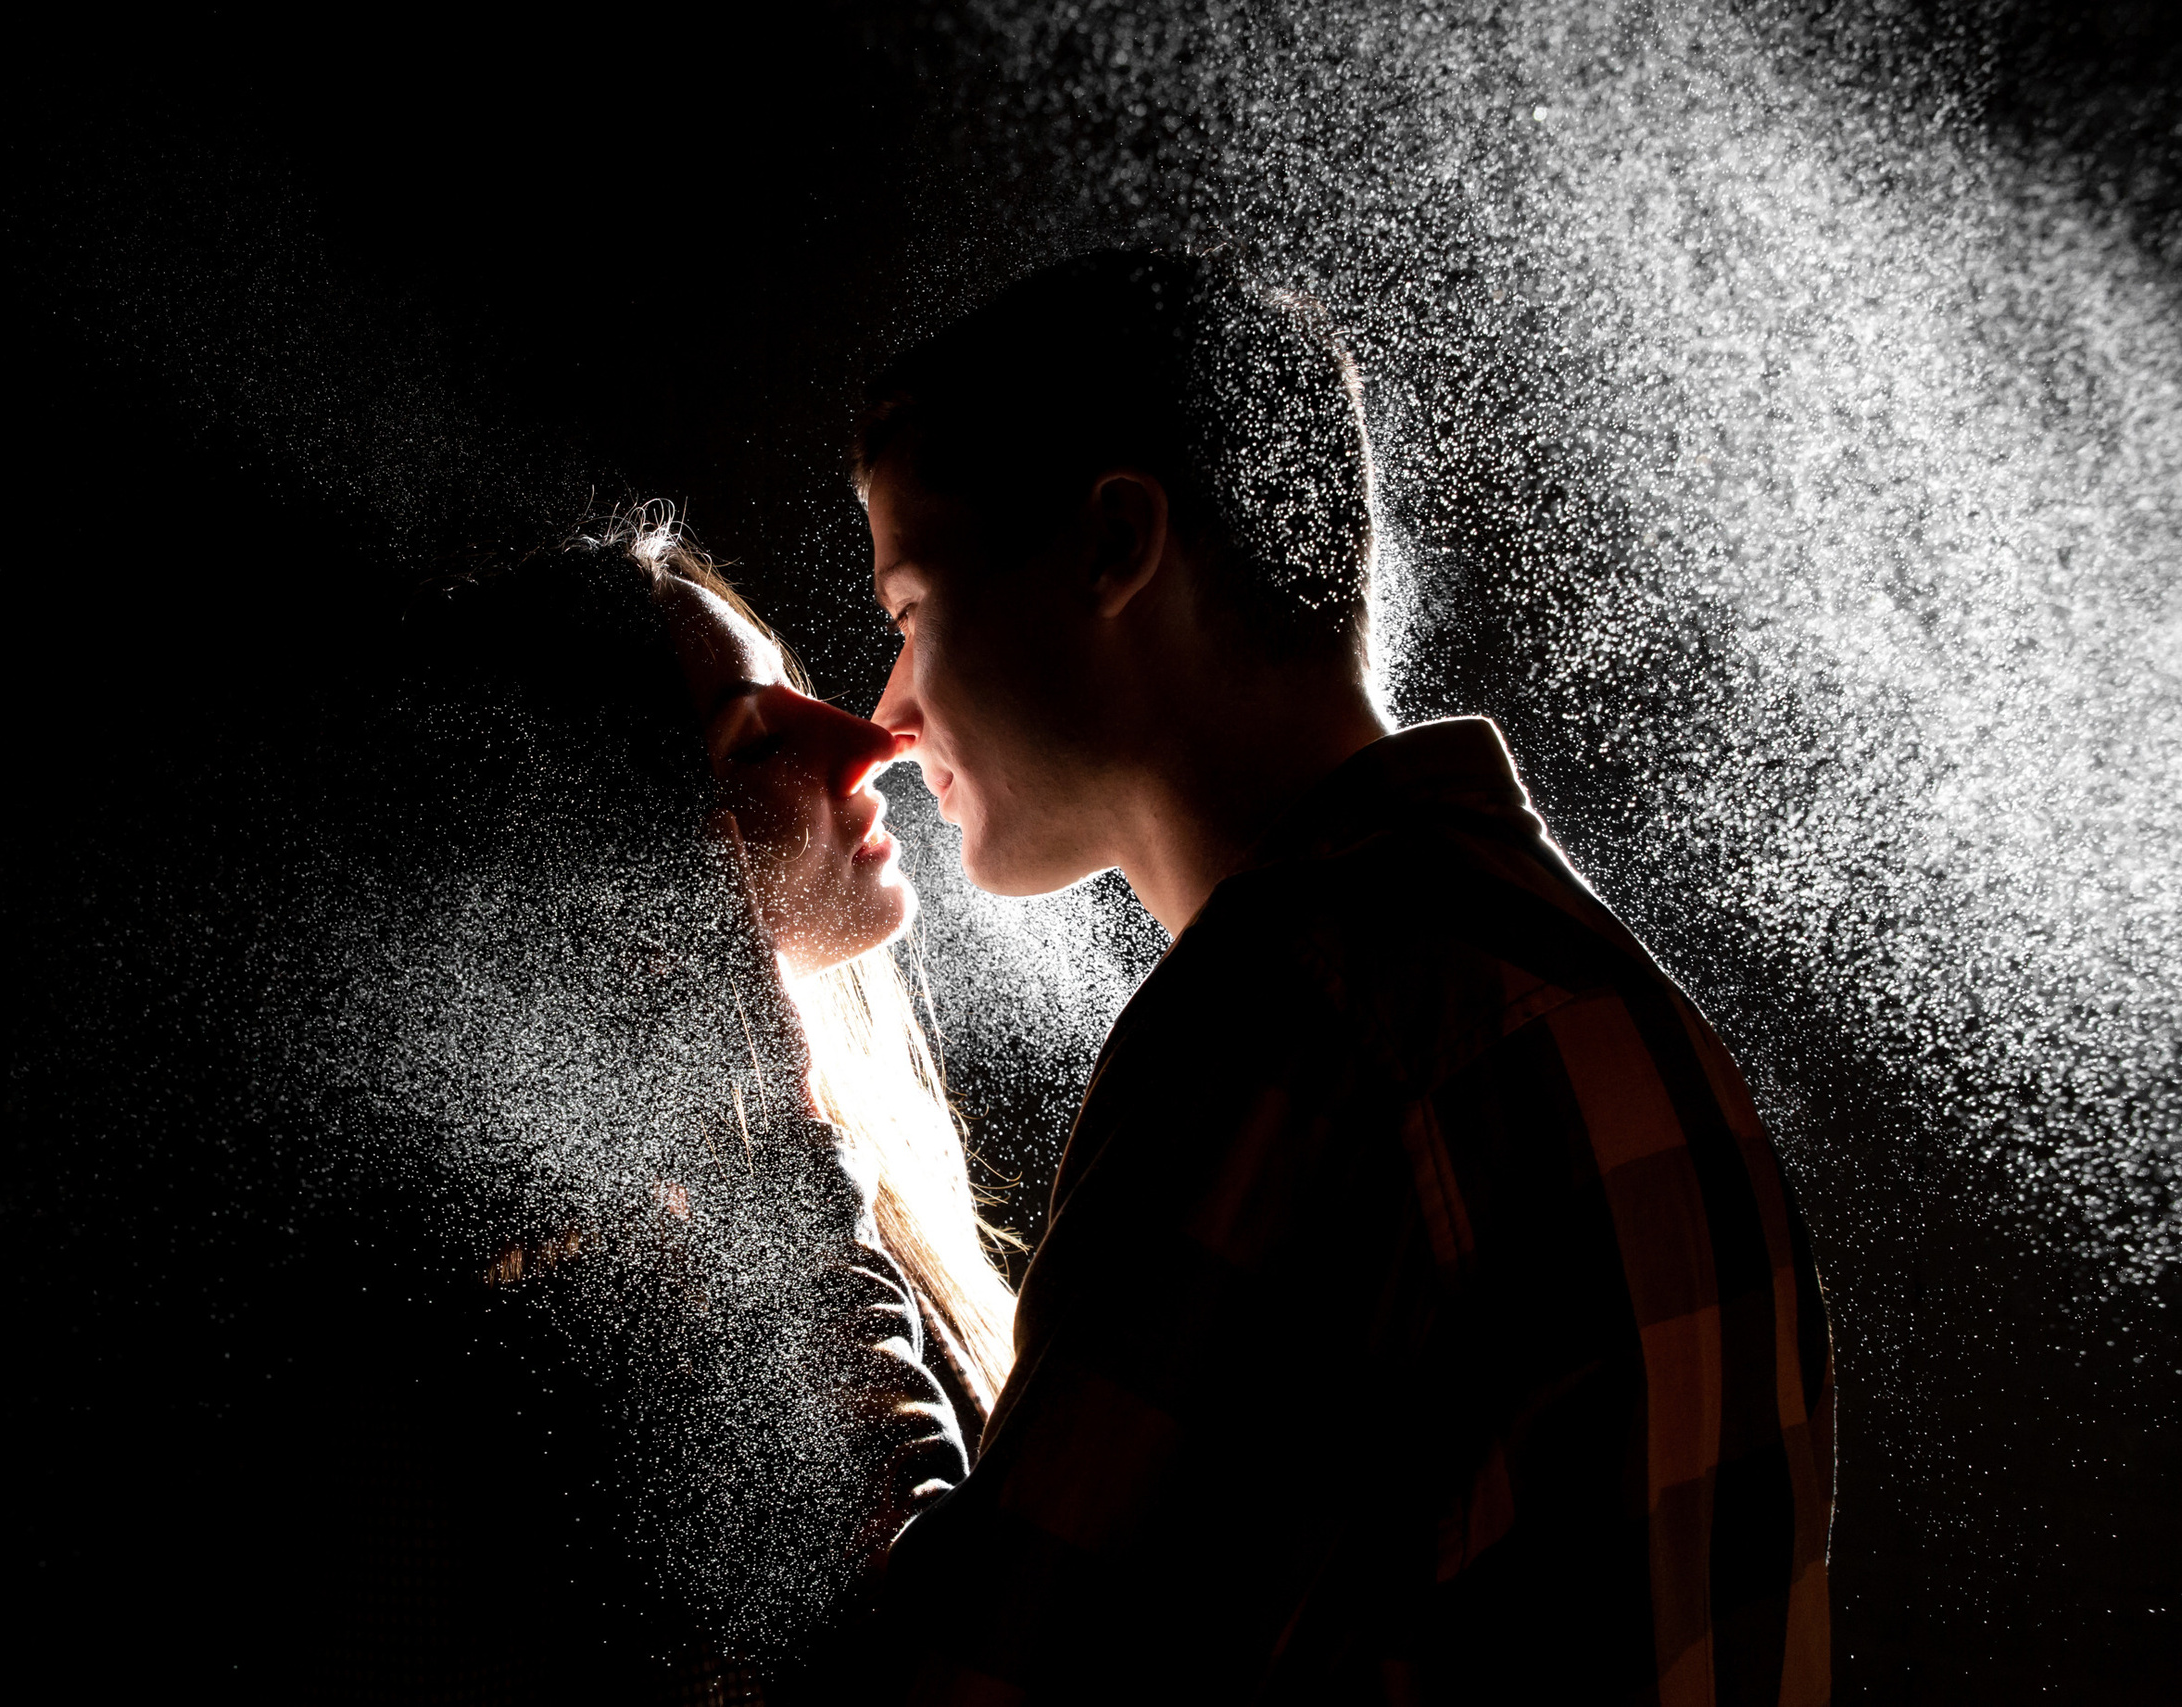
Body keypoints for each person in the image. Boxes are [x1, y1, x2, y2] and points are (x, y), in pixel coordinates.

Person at [855, 250, 1835, 1704]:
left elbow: (981, 1681)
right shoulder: (1603, 993)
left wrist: (810, 1214)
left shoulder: (1294, 1026)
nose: (891, 709)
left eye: (913, 608)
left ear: (1112, 545)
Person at [290, 515, 1019, 1701]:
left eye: (800, 695)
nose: (866, 739)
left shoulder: (813, 1187)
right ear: (618, 869)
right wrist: (780, 1187)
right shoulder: (507, 1357)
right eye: (747, 740)